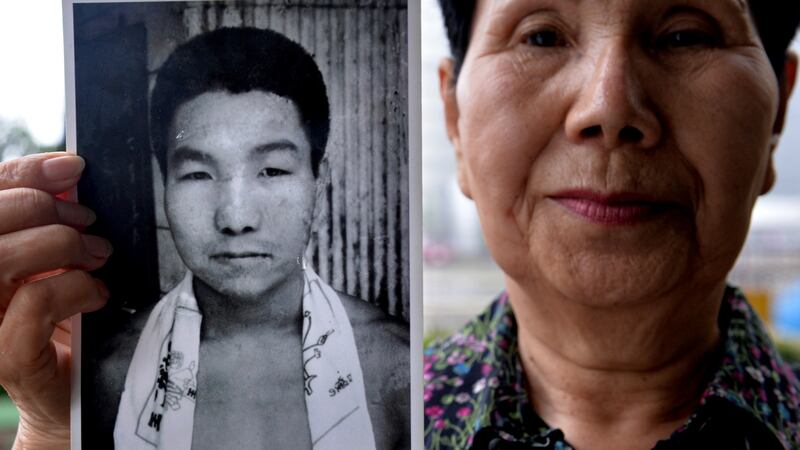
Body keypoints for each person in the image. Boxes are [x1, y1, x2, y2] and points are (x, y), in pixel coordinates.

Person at [0, 27, 408, 450]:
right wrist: (49, 433)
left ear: (318, 184)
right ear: (164, 186)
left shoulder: (397, 370)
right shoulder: (106, 379)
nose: (236, 218)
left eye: (272, 170)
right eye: (198, 174)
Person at [425, 1, 799, 450]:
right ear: (455, 120)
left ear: (777, 112)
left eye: (684, 37)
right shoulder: (374, 424)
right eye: (541, 37)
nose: (610, 108)